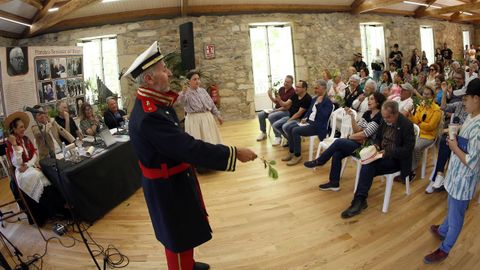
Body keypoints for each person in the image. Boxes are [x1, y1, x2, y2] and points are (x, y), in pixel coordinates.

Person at [123, 41, 257, 270]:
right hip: (167, 187)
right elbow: (189, 147)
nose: (170, 72)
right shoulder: (150, 115)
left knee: (185, 228)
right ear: (149, 79)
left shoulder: (155, 104)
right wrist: (234, 153)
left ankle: (189, 263)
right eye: (164, 69)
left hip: (174, 180)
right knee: (176, 236)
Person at [423, 78, 480, 264]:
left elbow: (472, 162)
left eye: (466, 99)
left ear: (476, 99)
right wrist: (457, 130)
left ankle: (445, 248)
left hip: (465, 180)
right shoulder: (472, 117)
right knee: (451, 205)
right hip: (456, 175)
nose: (463, 102)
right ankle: (443, 230)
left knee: (456, 215)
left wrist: (454, 146)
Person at [341, 100, 415, 219]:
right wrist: (376, 146)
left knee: (368, 166)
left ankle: (359, 201)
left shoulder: (407, 125)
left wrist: (388, 151)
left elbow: (407, 150)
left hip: (396, 160)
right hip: (381, 154)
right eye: (384, 117)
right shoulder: (385, 119)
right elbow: (378, 137)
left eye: (388, 117)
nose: (385, 120)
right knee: (367, 163)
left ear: (396, 113)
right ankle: (360, 200)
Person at [304, 92, 386, 191]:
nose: (369, 101)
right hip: (359, 142)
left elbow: (365, 134)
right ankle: (334, 183)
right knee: (337, 154)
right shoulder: (367, 113)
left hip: (368, 148)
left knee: (339, 142)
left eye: (372, 99)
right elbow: (358, 130)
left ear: (378, 102)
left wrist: (350, 137)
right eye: (369, 99)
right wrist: (352, 117)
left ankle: (320, 161)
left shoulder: (379, 117)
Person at [5, 112, 66, 226]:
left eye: (23, 126)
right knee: (38, 176)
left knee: (45, 174)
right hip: (21, 173)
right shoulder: (10, 144)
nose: (24, 129)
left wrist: (29, 165)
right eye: (21, 127)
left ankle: (57, 209)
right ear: (14, 129)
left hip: (29, 167)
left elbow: (34, 155)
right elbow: (17, 164)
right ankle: (52, 211)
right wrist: (14, 144)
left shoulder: (26, 139)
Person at [426, 81, 469, 193]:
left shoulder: (474, 112)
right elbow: (444, 107)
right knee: (445, 141)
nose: (463, 101)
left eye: (465, 99)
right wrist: (444, 92)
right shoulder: (459, 105)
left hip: (465, 142)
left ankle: (437, 177)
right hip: (454, 137)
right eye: (462, 98)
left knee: (445, 141)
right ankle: (439, 175)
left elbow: (467, 127)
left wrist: (451, 129)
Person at [282, 79, 333, 166]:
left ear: (323, 88)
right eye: (314, 88)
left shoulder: (327, 101)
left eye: (317, 88)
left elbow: (324, 116)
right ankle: (292, 152)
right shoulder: (315, 98)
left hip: (317, 126)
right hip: (309, 122)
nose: (315, 90)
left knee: (295, 130)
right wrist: (305, 118)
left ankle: (297, 155)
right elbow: (310, 111)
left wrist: (319, 104)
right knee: (289, 128)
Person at [405, 87, 442, 180]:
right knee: (404, 142)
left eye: (428, 94)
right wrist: (410, 114)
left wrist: (419, 123)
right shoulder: (421, 106)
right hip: (418, 133)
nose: (425, 96)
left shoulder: (436, 110)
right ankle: (403, 165)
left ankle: (411, 170)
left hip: (429, 136)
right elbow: (415, 120)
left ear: (432, 96)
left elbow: (431, 126)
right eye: (424, 94)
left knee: (416, 146)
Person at [178, 71, 223, 145]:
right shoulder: (184, 93)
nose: (197, 81)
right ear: (189, 81)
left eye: (198, 79)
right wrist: (183, 93)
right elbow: (182, 103)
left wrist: (218, 115)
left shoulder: (203, 91)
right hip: (195, 120)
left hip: (208, 118)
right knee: (198, 142)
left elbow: (211, 104)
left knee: (211, 140)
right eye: (194, 79)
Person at [272, 80, 312, 146]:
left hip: (299, 120)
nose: (296, 88)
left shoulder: (307, 98)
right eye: (296, 86)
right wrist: (279, 100)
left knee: (285, 126)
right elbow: (285, 104)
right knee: (275, 125)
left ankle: (293, 142)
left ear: (304, 88)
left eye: (298, 87)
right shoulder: (295, 95)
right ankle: (291, 140)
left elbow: (299, 114)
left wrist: (289, 120)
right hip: (291, 117)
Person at [256, 75, 295, 142]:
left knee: (272, 116)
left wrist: (276, 110)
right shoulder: (281, 89)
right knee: (260, 114)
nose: (285, 83)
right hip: (276, 109)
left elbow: (287, 107)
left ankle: (278, 136)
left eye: (288, 82)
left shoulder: (293, 92)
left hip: (286, 111)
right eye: (285, 81)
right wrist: (270, 96)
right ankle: (263, 132)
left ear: (292, 83)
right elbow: (276, 102)